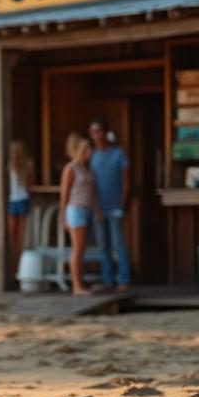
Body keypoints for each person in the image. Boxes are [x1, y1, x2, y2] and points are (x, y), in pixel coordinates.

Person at [88, 116, 131, 291]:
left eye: (98, 131)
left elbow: (126, 181)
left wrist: (121, 204)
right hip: (99, 207)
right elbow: (91, 184)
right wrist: (96, 208)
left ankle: (124, 279)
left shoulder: (119, 153)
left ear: (106, 132)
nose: (95, 135)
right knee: (103, 245)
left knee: (118, 243)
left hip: (115, 207)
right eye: (92, 132)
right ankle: (107, 280)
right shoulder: (92, 155)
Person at [60, 133, 98, 296]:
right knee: (77, 249)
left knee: (81, 249)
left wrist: (97, 210)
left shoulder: (86, 169)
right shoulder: (71, 168)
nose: (90, 152)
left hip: (86, 209)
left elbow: (92, 192)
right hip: (75, 210)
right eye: (87, 149)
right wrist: (64, 217)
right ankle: (76, 286)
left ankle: (80, 283)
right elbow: (65, 194)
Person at [7, 140, 34, 272]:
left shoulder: (10, 166)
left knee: (14, 238)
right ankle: (18, 267)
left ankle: (15, 267)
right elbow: (30, 184)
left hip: (14, 200)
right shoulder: (27, 165)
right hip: (22, 199)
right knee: (20, 238)